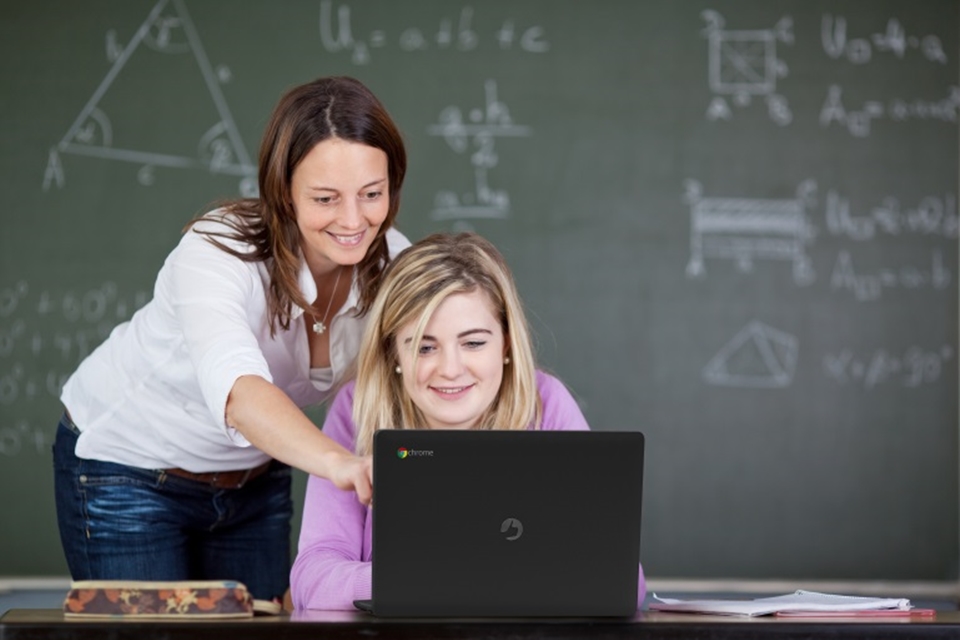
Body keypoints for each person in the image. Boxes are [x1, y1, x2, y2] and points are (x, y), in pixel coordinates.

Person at [52, 76, 410, 601]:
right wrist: (342, 464)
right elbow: (241, 395)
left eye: (372, 194)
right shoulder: (218, 249)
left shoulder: (396, 262)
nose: (354, 220)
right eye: (326, 198)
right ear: (283, 192)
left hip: (255, 482)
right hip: (130, 470)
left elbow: (426, 372)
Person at [289, 232, 647, 610]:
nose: (450, 369)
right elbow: (313, 580)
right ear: (393, 349)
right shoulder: (357, 408)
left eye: (473, 343)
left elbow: (622, 579)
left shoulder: (545, 403)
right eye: (424, 347)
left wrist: (430, 580)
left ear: (506, 343)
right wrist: (455, 578)